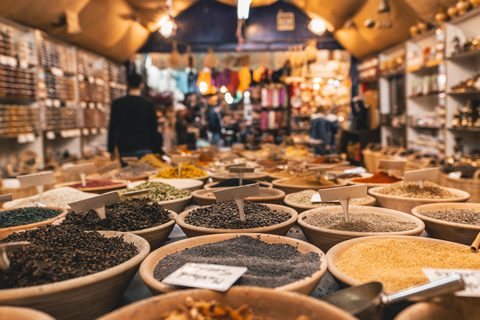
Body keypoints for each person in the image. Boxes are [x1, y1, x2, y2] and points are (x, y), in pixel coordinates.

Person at [108, 73, 161, 165]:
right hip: (144, 148)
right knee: (145, 177)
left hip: (125, 149)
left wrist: (111, 149)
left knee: (128, 177)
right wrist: (156, 149)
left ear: (127, 85)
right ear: (141, 85)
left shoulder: (118, 104)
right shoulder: (148, 104)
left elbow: (112, 128)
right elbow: (153, 129)